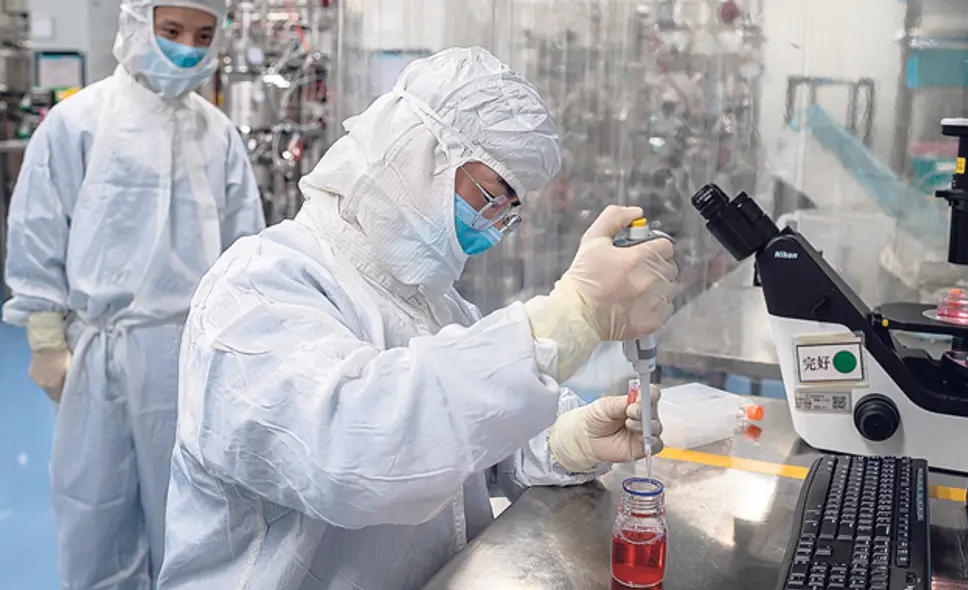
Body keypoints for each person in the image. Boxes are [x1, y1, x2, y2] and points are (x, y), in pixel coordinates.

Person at [157, 47, 677, 590]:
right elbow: (358, 453)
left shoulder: (432, 301)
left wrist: (565, 442)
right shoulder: (258, 286)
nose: (493, 224)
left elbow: (463, 441)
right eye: (490, 196)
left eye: (509, 210)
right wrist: (570, 317)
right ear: (417, 151)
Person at [2, 0, 265, 587]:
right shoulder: (78, 122)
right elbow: (39, 229)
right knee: (96, 512)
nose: (186, 48)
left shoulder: (217, 134)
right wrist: (45, 337)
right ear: (136, 23)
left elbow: (246, 251)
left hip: (195, 358)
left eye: (202, 35)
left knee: (193, 518)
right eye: (171, 30)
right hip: (100, 354)